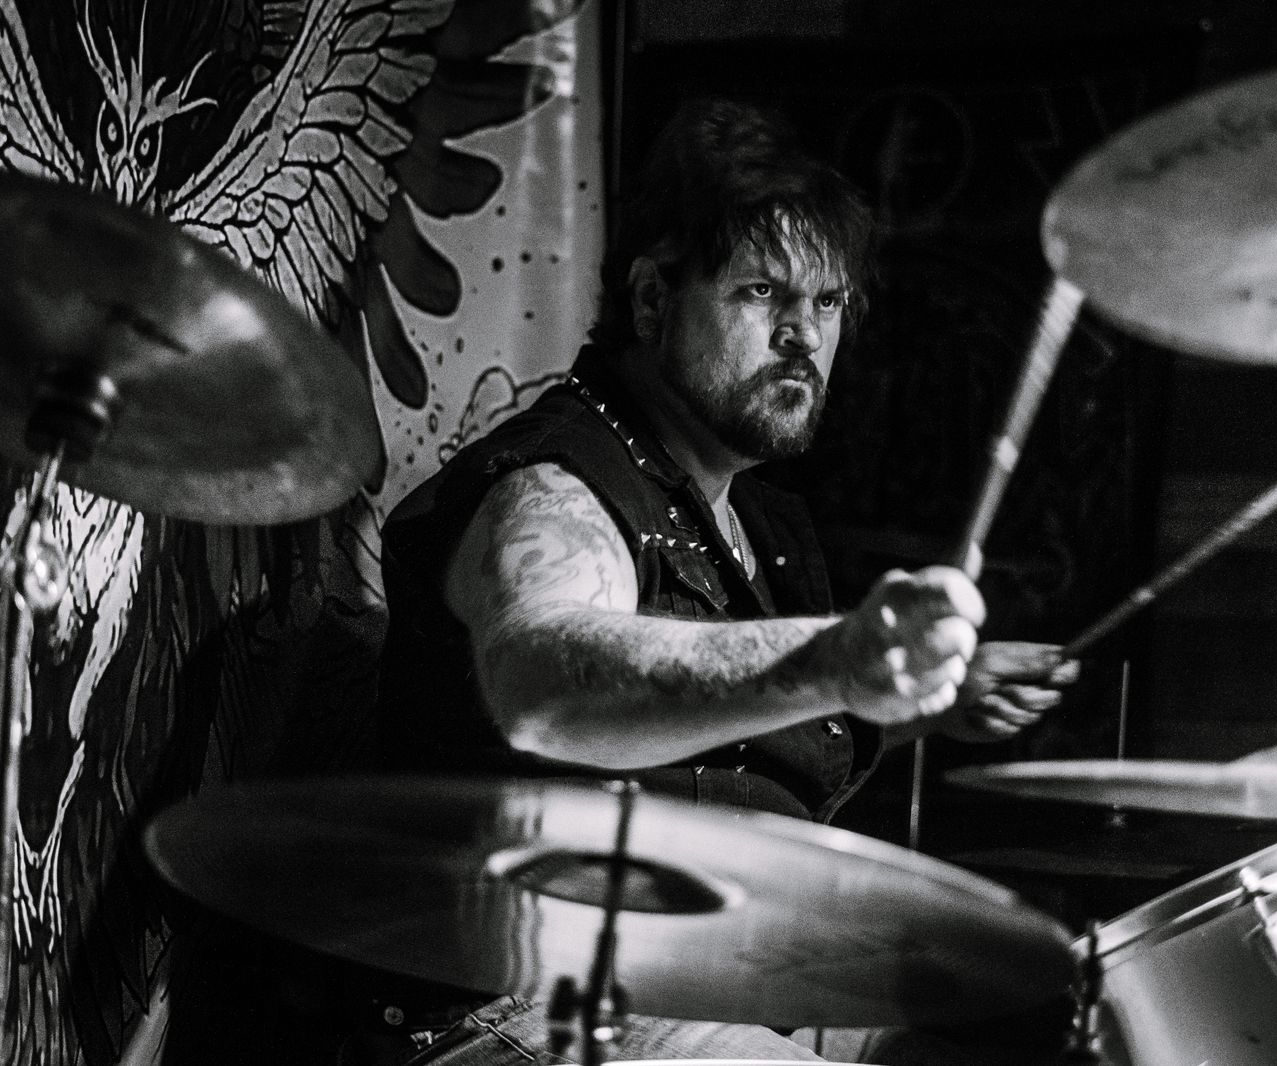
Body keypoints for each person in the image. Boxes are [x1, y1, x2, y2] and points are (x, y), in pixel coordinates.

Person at [355, 96, 1079, 1065]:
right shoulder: (557, 486)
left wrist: (926, 694)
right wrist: (837, 655)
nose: (803, 336)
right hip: (529, 1002)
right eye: (761, 293)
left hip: (713, 976)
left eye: (826, 303)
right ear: (653, 300)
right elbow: (541, 675)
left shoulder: (763, 523)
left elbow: (738, 730)